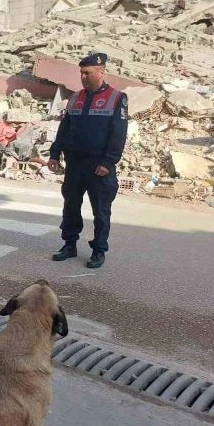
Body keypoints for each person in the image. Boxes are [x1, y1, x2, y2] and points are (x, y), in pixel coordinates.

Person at [48, 53, 128, 269]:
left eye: (87, 72)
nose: (83, 77)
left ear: (101, 72)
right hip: (75, 164)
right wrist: (55, 153)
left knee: (101, 211)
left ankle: (99, 250)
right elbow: (64, 129)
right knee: (71, 205)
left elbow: (118, 135)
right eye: (81, 73)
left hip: (98, 166)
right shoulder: (75, 97)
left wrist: (108, 162)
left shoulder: (116, 98)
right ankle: (69, 244)